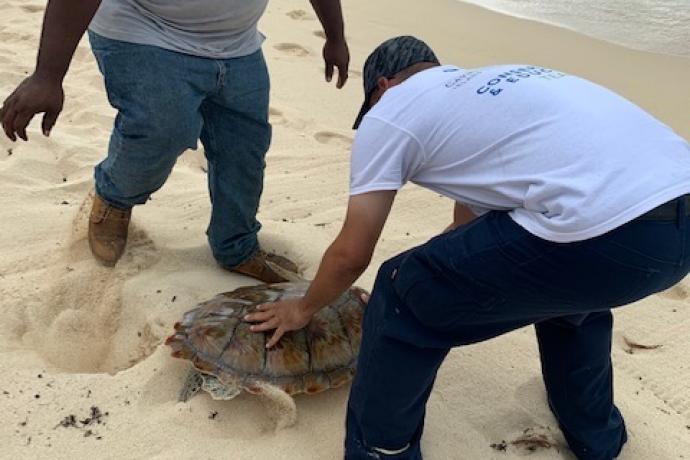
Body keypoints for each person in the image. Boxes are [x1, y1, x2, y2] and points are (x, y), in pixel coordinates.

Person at [244, 36, 690, 459]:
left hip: (603, 232)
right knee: (570, 294)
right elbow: (471, 228)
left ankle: (380, 449)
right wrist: (443, 265)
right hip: (670, 214)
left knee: (403, 291)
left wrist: (303, 308)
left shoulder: (390, 112)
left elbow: (351, 254)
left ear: (382, 85)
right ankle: (598, 437)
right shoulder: (483, 92)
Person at [0, 0, 349, 283]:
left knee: (245, 145)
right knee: (162, 129)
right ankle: (114, 198)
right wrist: (48, 74)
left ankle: (236, 245)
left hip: (236, 44)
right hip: (144, 29)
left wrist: (335, 36)